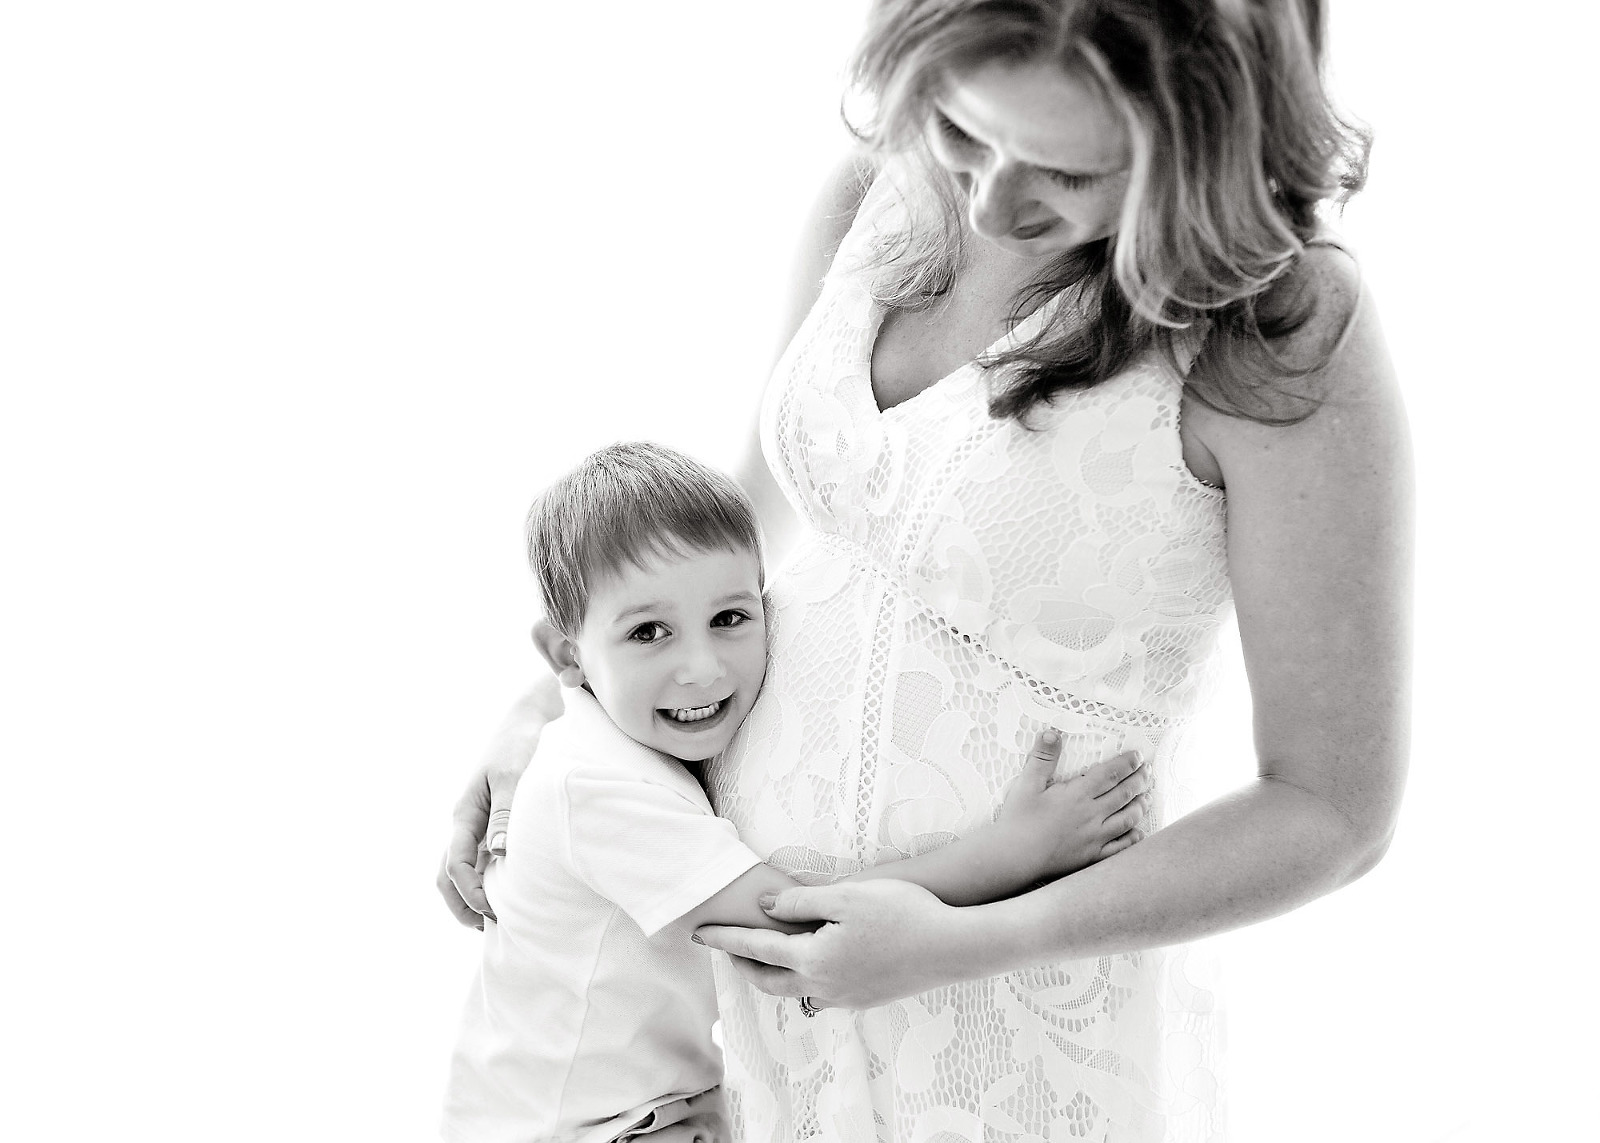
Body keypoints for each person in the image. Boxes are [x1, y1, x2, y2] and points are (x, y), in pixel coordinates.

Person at [439, 0, 1412, 1138]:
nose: (992, 201)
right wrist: (564, 715)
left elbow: (1331, 807)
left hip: (1023, 1019)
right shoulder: (878, 192)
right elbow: (750, 531)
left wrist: (971, 937)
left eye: (1064, 168)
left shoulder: (1279, 331)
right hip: (777, 1030)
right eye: (964, 129)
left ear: (1202, 136)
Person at [440, 441, 1153, 1143]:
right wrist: (1012, 851)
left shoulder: (625, 740)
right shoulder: (592, 785)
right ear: (568, 656)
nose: (702, 668)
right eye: (649, 632)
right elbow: (791, 925)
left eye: (730, 618)